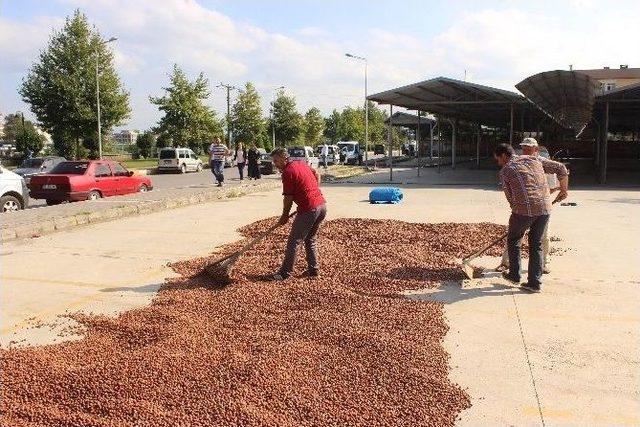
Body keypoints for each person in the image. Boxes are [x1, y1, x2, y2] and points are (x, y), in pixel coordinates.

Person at [494, 142, 569, 293]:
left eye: (498, 159)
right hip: (544, 209)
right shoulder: (535, 159)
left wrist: (517, 214)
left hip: (524, 211)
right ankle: (534, 283)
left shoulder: (506, 170)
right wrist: (564, 190)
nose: (498, 162)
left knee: (514, 238)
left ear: (503, 155)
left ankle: (514, 275)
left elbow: (510, 198)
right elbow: (561, 168)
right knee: (536, 244)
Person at [270, 147, 326, 280]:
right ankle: (313, 271)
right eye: (273, 161)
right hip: (321, 206)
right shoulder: (301, 163)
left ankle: (284, 274)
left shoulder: (288, 172)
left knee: (294, 241)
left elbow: (288, 198)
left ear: (285, 158)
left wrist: (284, 216)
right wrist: (315, 192)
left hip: (309, 209)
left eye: (276, 161)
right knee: (310, 239)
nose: (275, 164)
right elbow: (317, 174)